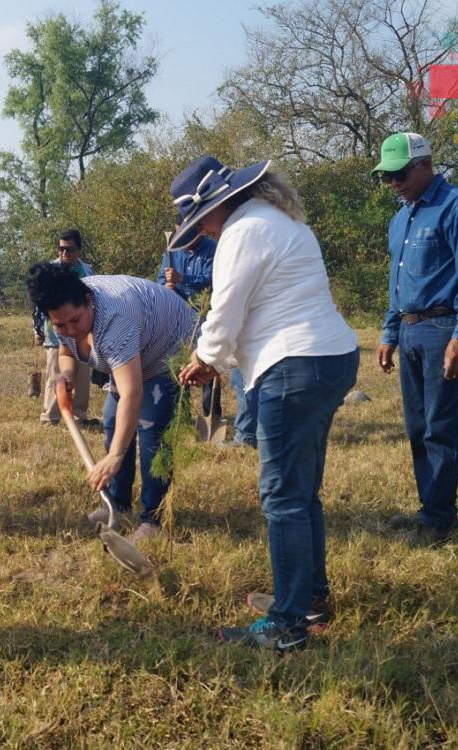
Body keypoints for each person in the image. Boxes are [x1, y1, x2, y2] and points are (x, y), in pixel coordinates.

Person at [175, 155, 359, 652]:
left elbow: (225, 308)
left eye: (200, 223)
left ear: (218, 205)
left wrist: (205, 358)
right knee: (302, 491)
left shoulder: (243, 231)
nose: (204, 234)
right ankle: (309, 598)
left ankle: (286, 625)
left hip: (294, 367)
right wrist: (215, 356)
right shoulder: (275, 221)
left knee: (282, 497)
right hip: (327, 358)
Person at [371, 132, 458, 544]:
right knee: (417, 426)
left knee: (440, 427)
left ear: (425, 164)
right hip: (409, 330)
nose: (394, 184)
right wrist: (390, 331)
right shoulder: (401, 216)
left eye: (400, 174)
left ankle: (439, 519)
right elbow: (398, 280)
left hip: (444, 329)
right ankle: (430, 509)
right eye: (387, 177)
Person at [27, 262, 198, 543]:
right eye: (60, 324)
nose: (69, 329)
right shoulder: (62, 313)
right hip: (135, 347)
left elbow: (132, 393)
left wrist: (115, 456)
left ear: (88, 301)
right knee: (112, 422)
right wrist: (66, 375)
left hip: (170, 346)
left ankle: (152, 519)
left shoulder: (116, 319)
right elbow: (67, 350)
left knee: (152, 430)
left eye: (76, 321)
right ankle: (117, 504)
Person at [158, 222, 258, 449]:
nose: (185, 236)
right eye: (180, 232)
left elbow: (218, 282)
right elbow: (161, 279)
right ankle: (177, 417)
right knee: (176, 368)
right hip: (178, 317)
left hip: (207, 316)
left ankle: (210, 412)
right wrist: (167, 286)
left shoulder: (215, 249)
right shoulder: (171, 251)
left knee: (208, 368)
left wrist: (184, 279)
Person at [32, 229, 94, 425]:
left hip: (83, 331)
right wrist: (38, 330)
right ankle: (51, 417)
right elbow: (38, 305)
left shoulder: (87, 270)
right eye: (61, 249)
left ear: (78, 250)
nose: (64, 254)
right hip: (55, 332)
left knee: (83, 375)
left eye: (69, 250)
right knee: (56, 375)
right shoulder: (49, 271)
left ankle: (78, 415)